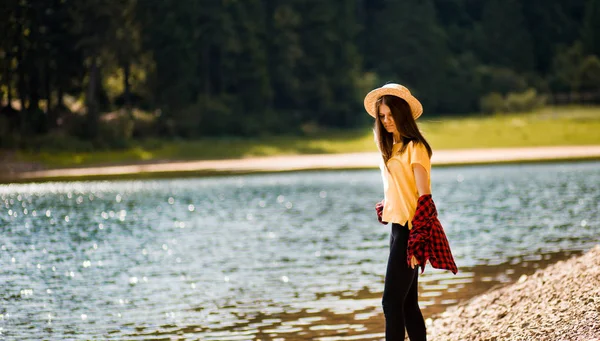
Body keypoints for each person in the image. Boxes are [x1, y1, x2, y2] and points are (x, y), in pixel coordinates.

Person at [364, 83, 457, 341]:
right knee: (406, 303)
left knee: (390, 303)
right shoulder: (389, 148)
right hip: (396, 229)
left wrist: (417, 240)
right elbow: (398, 188)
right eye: (381, 116)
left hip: (410, 231)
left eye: (391, 115)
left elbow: (424, 197)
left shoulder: (416, 147)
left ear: (403, 114)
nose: (386, 121)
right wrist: (388, 206)